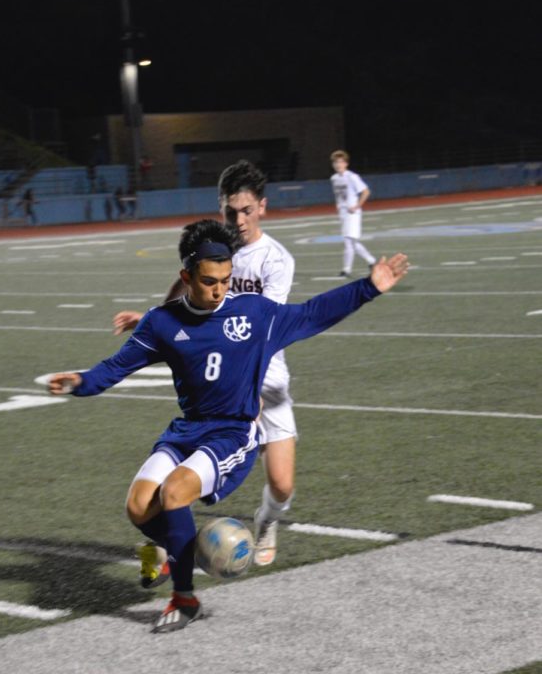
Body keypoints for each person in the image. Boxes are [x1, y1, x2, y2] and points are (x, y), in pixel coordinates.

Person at [47, 218, 410, 634]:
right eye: (208, 280)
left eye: (226, 279)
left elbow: (313, 313)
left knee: (175, 491)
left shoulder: (255, 314)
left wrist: (369, 286)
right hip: (187, 431)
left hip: (233, 433)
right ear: (186, 276)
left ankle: (185, 601)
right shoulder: (161, 323)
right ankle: (171, 549)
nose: (219, 289)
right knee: (137, 505)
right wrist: (79, 381)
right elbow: (115, 367)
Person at [113, 160, 297, 577]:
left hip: (264, 382)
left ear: (262, 207)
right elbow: (183, 298)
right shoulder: (211, 252)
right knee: (179, 482)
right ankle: (161, 549)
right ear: (221, 209)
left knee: (282, 485)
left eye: (247, 210)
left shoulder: (275, 261)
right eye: (231, 211)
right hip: (218, 388)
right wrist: (152, 320)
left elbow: (266, 327)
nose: (239, 220)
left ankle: (266, 521)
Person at [330, 150, 376, 277]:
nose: (338, 165)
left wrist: (357, 206)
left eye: (341, 162)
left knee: (348, 241)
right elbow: (339, 197)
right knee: (352, 242)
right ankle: (372, 261)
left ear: (346, 163)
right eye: (336, 162)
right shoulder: (334, 178)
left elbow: (366, 191)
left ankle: (346, 269)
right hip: (343, 213)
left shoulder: (352, 177)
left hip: (352, 213)